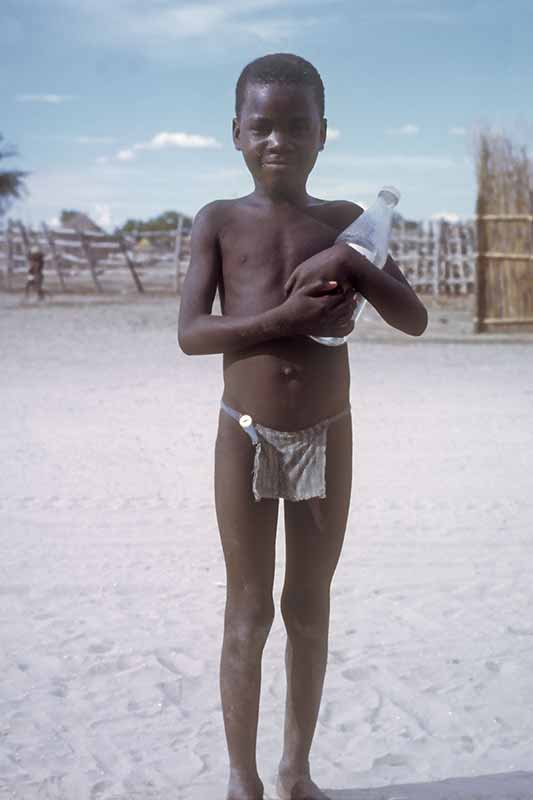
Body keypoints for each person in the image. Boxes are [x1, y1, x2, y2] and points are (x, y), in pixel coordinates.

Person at [178, 53, 428, 800]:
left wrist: (351, 264)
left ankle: (295, 772)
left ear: (324, 133)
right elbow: (191, 333)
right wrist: (284, 318)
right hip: (244, 429)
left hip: (328, 429)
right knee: (248, 609)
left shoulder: (347, 222)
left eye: (296, 126)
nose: (278, 140)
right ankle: (242, 780)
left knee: (307, 607)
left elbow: (411, 319)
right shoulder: (219, 220)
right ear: (235, 134)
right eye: (262, 126)